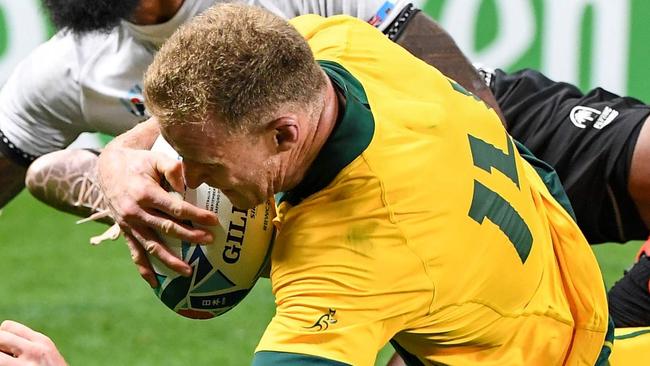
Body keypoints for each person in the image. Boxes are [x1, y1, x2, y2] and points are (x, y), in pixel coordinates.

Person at [144, 4, 616, 364]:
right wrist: (118, 159)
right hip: (552, 274)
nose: (191, 178)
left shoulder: (356, 252)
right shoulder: (340, 43)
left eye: (207, 163)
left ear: (284, 134)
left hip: (549, 352)